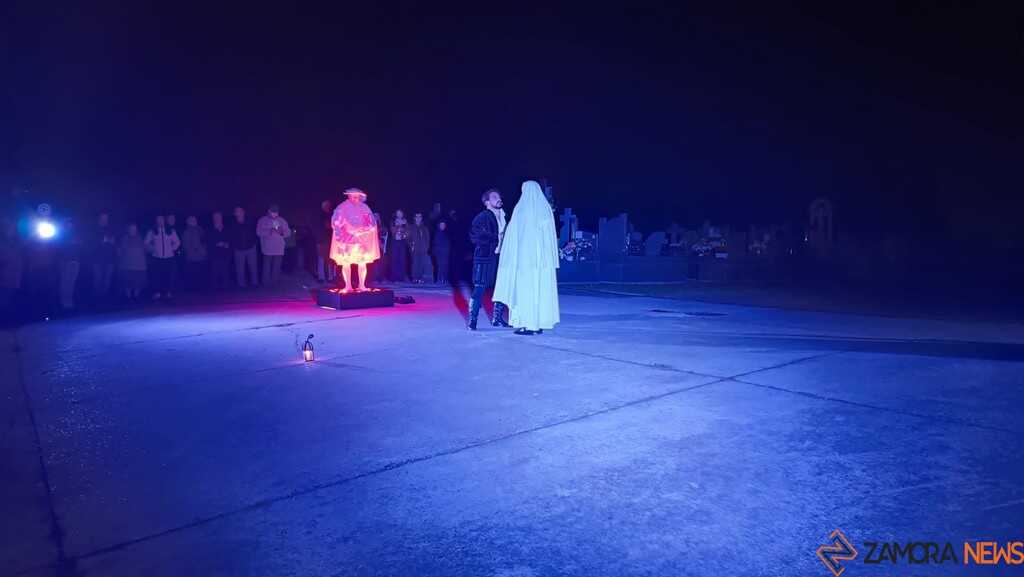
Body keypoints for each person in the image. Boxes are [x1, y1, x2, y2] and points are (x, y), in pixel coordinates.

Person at [493, 180, 560, 335]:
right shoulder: (545, 209)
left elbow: (512, 236)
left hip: (525, 262)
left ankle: (528, 324)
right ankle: (539, 323)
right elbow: (550, 238)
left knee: (526, 291)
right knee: (541, 291)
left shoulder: (521, 209)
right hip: (542, 262)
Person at [467, 188, 510, 330]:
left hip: (501, 257)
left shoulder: (504, 216)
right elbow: (474, 234)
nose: (498, 198)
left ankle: (497, 318)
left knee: (501, 287)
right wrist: (494, 238)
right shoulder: (483, 216)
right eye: (494, 197)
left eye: (499, 195)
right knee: (480, 287)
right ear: (487, 202)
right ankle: (472, 320)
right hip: (484, 257)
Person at [329, 188, 380, 291]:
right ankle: (348, 286)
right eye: (352, 195)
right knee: (346, 262)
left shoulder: (364, 207)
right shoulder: (342, 207)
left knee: (362, 262)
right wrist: (345, 229)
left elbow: (371, 222)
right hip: (347, 239)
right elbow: (336, 222)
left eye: (357, 196)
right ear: (348, 196)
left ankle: (362, 285)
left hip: (361, 239)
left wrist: (365, 229)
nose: (355, 198)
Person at [145, 214, 180, 300]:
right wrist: (153, 249)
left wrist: (172, 249)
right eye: (158, 219)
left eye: (161, 219)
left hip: (169, 257)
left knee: (169, 276)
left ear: (164, 220)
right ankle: (157, 293)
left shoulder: (170, 230)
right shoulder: (152, 231)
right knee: (156, 276)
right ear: (156, 220)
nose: (160, 221)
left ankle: (168, 293)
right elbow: (146, 243)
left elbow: (177, 242)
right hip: (157, 258)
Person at [256, 204, 290, 285]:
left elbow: (288, 232)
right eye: (273, 212)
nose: (275, 214)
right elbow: (258, 232)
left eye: (276, 212)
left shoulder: (282, 220)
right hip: (267, 249)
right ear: (269, 211)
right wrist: (269, 231)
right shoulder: (262, 220)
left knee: (277, 267)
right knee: (266, 267)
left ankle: (275, 283)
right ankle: (266, 283)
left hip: (279, 249)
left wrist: (282, 232)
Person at [229, 206, 259, 288]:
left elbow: (255, 233)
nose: (239, 213)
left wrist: (254, 242)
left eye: (240, 211)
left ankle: (254, 283)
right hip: (238, 249)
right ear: (234, 213)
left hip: (251, 247)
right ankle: (241, 285)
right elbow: (231, 236)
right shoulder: (232, 223)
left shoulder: (250, 221)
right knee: (239, 268)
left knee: (253, 267)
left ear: (243, 212)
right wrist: (234, 245)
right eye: (237, 211)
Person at [90, 212, 117, 301]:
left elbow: (113, 242)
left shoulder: (111, 229)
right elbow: (92, 242)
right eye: (103, 218)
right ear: (99, 218)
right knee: (97, 279)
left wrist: (110, 241)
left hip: (109, 259)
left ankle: (104, 300)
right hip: (97, 259)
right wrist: (104, 240)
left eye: (106, 218)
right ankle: (96, 299)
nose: (105, 220)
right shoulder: (94, 229)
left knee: (107, 279)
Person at [118, 222, 147, 302]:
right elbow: (121, 251)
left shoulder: (140, 238)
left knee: (138, 282)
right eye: (131, 229)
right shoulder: (125, 238)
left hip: (139, 265)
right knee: (127, 282)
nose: (133, 230)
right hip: (126, 265)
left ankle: (136, 297)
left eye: (134, 229)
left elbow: (144, 249)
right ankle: (128, 298)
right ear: (128, 230)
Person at [182, 215, 207, 290]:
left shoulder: (200, 229)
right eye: (192, 220)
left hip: (201, 257)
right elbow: (186, 246)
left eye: (195, 219)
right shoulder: (187, 231)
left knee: (201, 277)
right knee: (194, 278)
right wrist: (202, 252)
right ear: (188, 222)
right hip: (193, 258)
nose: (194, 221)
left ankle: (200, 290)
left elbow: (204, 241)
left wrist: (204, 252)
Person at [208, 211, 231, 289]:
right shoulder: (210, 229)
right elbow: (208, 241)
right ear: (213, 219)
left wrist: (226, 244)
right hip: (215, 254)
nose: (217, 219)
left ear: (221, 218)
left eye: (219, 217)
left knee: (225, 272)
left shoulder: (226, 228)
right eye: (216, 217)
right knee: (215, 273)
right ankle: (215, 290)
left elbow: (230, 239)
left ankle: (226, 289)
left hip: (225, 254)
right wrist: (217, 244)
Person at [316, 200, 336, 283]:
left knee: (331, 259)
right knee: (321, 258)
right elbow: (319, 228)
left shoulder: (331, 215)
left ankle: (331, 277)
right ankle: (321, 277)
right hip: (323, 240)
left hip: (331, 240)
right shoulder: (320, 216)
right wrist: (319, 240)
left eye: (329, 205)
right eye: (326, 205)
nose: (328, 207)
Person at [408, 212, 431, 283]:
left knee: (422, 263)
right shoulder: (411, 227)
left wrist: (427, 247)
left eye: (419, 217)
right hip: (414, 248)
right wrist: (411, 245)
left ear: (421, 218)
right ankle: (414, 278)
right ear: (414, 218)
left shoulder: (424, 228)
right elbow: (408, 238)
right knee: (415, 263)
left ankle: (420, 278)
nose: (418, 218)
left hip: (423, 249)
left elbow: (428, 238)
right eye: (417, 217)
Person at [389, 209, 409, 282]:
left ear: (403, 214)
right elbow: (392, 230)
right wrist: (398, 226)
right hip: (395, 242)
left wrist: (404, 234)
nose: (399, 214)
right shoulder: (393, 221)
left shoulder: (405, 221)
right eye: (398, 213)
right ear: (396, 214)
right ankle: (394, 277)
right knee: (395, 259)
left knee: (402, 259)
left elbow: (407, 231)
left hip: (402, 242)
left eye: (401, 213)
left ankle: (401, 277)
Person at [432, 220, 451, 284]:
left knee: (445, 265)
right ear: (439, 225)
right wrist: (437, 252)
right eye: (441, 225)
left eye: (444, 225)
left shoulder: (446, 233)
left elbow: (448, 243)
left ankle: (445, 279)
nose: (443, 226)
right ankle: (439, 279)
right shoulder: (437, 233)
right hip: (440, 253)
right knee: (440, 266)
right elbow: (436, 244)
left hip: (446, 253)